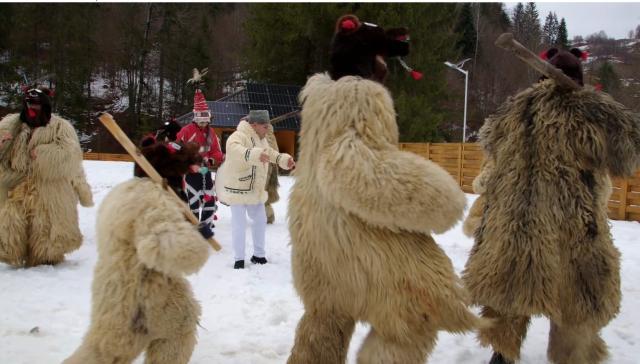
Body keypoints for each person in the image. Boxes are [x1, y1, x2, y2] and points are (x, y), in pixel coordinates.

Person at [286, 15, 484, 364]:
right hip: (358, 256)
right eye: (383, 61)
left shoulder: (319, 108)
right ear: (373, 63)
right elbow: (359, 170)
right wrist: (443, 200)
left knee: (324, 320)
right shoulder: (358, 102)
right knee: (413, 319)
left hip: (318, 250)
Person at [462, 48, 640, 364]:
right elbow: (626, 157)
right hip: (572, 227)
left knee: (512, 295)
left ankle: (502, 354)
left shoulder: (512, 114)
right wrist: (603, 109)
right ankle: (571, 356)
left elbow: (488, 161)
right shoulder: (588, 115)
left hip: (516, 227)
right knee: (575, 300)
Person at [63, 137, 212, 364]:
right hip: (137, 302)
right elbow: (172, 250)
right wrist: (196, 238)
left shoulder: (123, 192)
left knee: (180, 325)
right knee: (102, 355)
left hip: (131, 290)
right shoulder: (153, 200)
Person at [0, 87, 93, 267]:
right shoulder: (10, 125)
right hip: (14, 186)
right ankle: (12, 252)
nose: (31, 109)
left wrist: (43, 154)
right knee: (12, 224)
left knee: (45, 227)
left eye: (35, 105)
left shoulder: (60, 127)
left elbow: (71, 156)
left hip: (49, 189)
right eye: (28, 104)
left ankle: (47, 257)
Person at [217, 110, 295, 269]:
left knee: (260, 220)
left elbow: (271, 153)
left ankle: (259, 255)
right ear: (254, 125)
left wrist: (283, 160)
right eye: (265, 126)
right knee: (239, 224)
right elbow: (234, 149)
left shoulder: (262, 139)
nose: (267, 129)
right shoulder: (238, 136)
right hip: (237, 188)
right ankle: (239, 259)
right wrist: (253, 154)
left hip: (255, 189)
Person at [176, 84, 224, 234]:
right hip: (190, 173)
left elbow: (217, 152)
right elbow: (177, 149)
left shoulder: (212, 133)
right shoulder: (186, 131)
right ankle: (192, 227)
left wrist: (211, 161)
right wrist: (189, 164)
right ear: (195, 119)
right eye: (201, 121)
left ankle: (206, 226)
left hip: (205, 172)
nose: (204, 124)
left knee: (210, 201)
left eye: (206, 122)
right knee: (193, 202)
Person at [264, 122, 280, 224]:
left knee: (262, 191)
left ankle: (268, 216)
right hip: (271, 166)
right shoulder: (270, 134)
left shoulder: (266, 135)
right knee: (265, 191)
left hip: (267, 166)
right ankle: (268, 215)